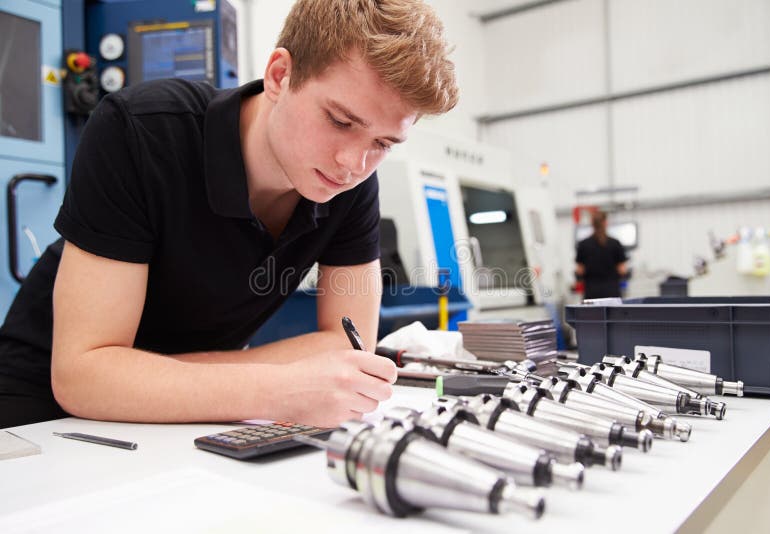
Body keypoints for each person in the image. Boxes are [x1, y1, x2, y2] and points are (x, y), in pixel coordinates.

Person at [0, 0, 458, 429]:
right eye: (340, 121)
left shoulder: (352, 187)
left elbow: (345, 343)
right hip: (40, 411)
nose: (353, 163)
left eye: (382, 143)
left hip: (195, 414)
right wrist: (279, 385)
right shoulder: (141, 132)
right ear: (280, 75)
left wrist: (147, 380)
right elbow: (84, 377)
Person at [575, 211, 628, 299]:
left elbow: (580, 271)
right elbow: (622, 270)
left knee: (592, 313)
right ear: (606, 223)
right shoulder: (615, 243)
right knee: (613, 313)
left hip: (591, 292)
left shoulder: (583, 244)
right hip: (612, 292)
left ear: (592, 224)